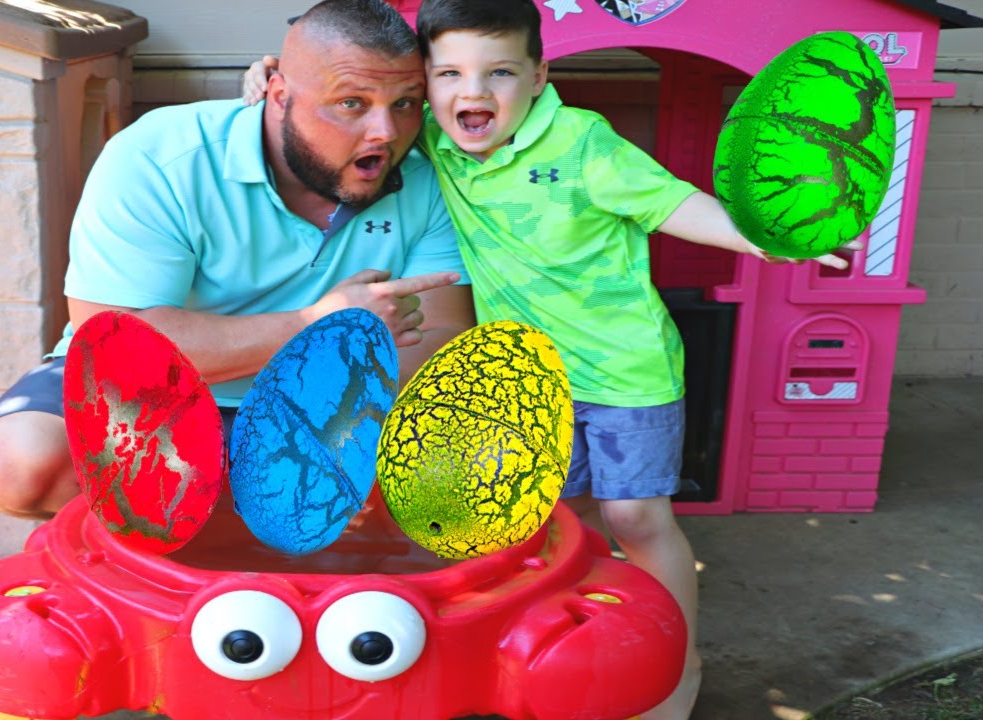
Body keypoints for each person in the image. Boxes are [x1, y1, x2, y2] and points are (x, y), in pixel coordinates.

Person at [242, 1, 858, 717]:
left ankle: (674, 660)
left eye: (498, 72)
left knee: (635, 519)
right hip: (533, 385)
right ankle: (582, 655)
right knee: (562, 526)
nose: (472, 93)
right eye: (449, 75)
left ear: (537, 75)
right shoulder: (436, 146)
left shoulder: (582, 142)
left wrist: (755, 237)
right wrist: (264, 79)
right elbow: (339, 121)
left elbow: (669, 202)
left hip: (627, 374)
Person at [0, 0, 474, 524]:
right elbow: (121, 348)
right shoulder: (159, 157)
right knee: (21, 461)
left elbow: (440, 334)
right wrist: (320, 331)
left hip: (330, 401)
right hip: (148, 396)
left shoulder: (425, 176)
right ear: (279, 96)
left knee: (454, 464)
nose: (386, 132)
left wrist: (335, 420)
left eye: (405, 104)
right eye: (351, 103)